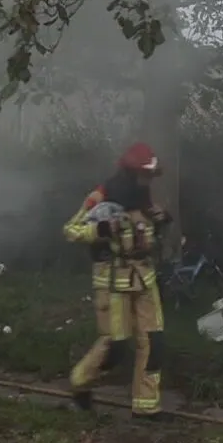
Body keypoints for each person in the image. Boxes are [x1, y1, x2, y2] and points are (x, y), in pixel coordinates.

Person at [65, 142, 172, 419]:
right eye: (144, 175)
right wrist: (102, 228)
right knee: (115, 345)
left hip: (144, 279)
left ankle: (147, 406)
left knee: (154, 342)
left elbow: (146, 231)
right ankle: (80, 383)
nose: (148, 181)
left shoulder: (144, 198)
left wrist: (161, 220)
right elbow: (71, 230)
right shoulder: (102, 196)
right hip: (113, 285)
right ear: (130, 173)